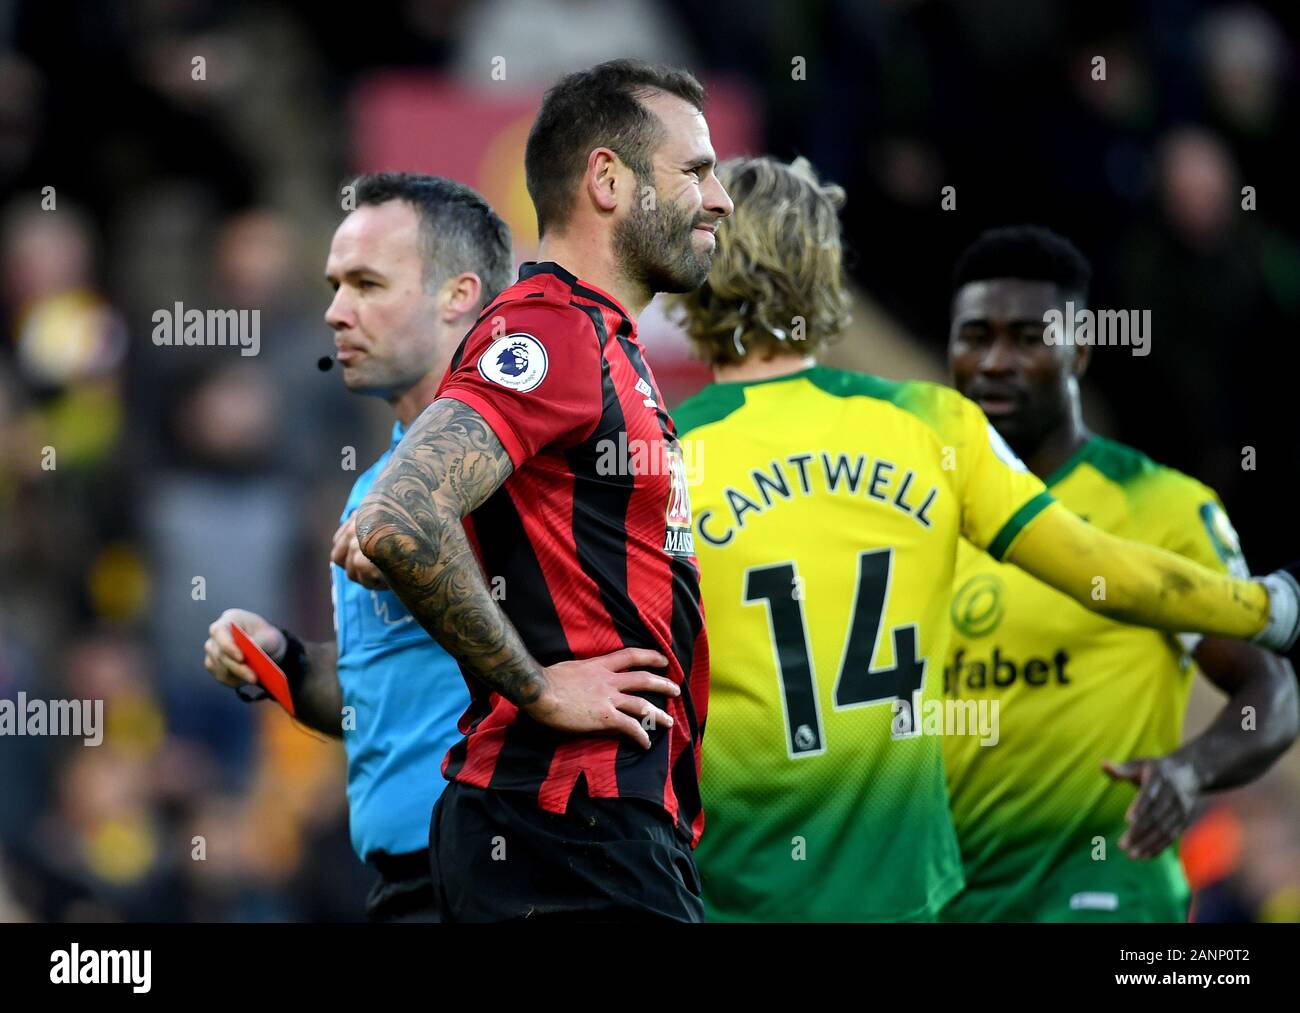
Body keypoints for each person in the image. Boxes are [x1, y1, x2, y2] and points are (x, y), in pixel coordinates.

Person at [665, 155, 1300, 921]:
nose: (996, 361)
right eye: (978, 336)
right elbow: (1103, 567)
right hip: (908, 894)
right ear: (825, 271)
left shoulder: (663, 452)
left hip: (738, 885)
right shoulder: (930, 426)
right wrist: (1268, 603)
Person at [354, 59, 733, 922]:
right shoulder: (550, 331)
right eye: (696, 171)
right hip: (568, 823)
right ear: (608, 178)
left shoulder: (604, 344)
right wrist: (536, 686)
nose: (719, 200)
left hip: (590, 824)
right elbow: (401, 514)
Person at [940, 225, 1298, 922]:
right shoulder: (917, 511)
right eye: (975, 335)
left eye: (1028, 338)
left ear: (1081, 348)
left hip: (1102, 893)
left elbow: (1269, 690)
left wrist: (1189, 769)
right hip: (948, 898)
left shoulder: (1158, 504)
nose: (995, 362)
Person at [201, 172, 513, 921]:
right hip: (408, 881)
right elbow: (382, 696)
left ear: (458, 294)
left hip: (504, 871)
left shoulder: (523, 462)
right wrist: (286, 662)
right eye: (335, 286)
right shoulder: (374, 480)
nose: (336, 313)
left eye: (368, 284)